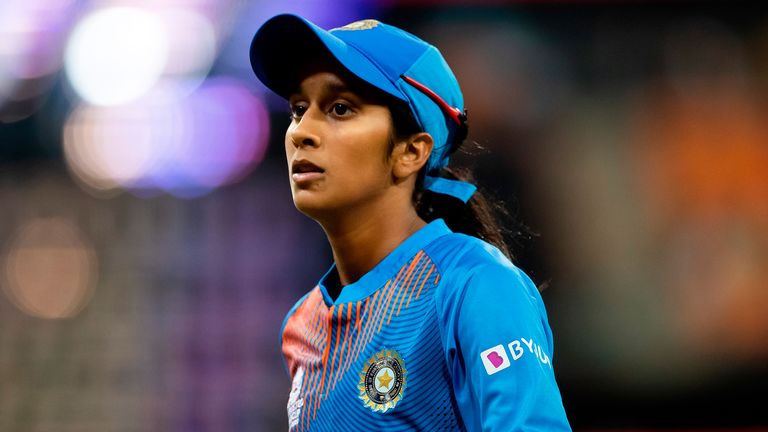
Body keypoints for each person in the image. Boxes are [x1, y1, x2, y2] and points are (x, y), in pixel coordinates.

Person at [249, 14, 570, 431]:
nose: (301, 132)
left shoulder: (473, 284)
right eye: (298, 109)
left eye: (340, 108)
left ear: (411, 152)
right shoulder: (302, 324)